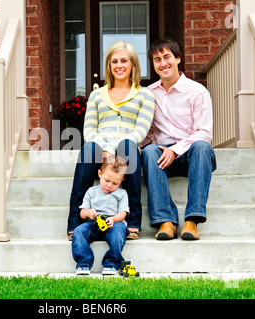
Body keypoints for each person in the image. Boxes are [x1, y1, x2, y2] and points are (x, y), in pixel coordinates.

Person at [66, 40, 155, 241]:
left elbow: (141, 131)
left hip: (126, 152)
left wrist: (115, 149)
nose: (119, 65)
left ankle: (132, 224)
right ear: (109, 65)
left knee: (127, 146)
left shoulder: (145, 95)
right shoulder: (97, 95)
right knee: (89, 147)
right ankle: (75, 222)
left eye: (124, 60)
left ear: (132, 64)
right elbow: (89, 128)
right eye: (114, 61)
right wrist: (105, 148)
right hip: (100, 151)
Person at [141, 39, 217, 241]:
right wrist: (125, 145)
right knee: (148, 151)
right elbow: (147, 132)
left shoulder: (197, 91)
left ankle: (192, 221)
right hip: (163, 158)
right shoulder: (149, 94)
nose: (163, 63)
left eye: (167, 57)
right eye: (157, 59)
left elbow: (204, 132)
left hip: (192, 155)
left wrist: (175, 149)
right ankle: (165, 221)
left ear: (177, 59)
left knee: (202, 146)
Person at [72, 157, 129, 275]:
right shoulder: (91, 191)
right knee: (78, 231)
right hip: (93, 223)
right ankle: (84, 263)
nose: (109, 186)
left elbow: (123, 213)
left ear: (122, 180)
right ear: (99, 173)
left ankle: (111, 263)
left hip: (113, 224)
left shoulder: (122, 194)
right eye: (107, 180)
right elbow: (82, 213)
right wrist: (88, 213)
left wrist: (113, 219)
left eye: (115, 183)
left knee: (119, 232)